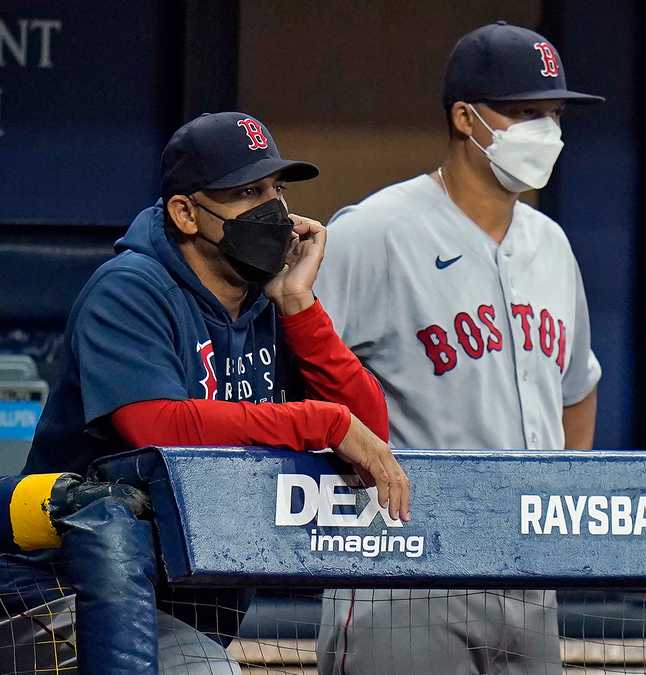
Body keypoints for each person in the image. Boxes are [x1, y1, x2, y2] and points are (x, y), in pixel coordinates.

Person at [21, 112, 412, 673]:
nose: (272, 211)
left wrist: (299, 306)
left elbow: (366, 426)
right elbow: (156, 427)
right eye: (247, 193)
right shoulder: (131, 290)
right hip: (68, 599)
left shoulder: (264, 301)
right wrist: (318, 422)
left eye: (277, 190)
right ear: (185, 212)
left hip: (185, 600)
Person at [314, 21, 603, 675]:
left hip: (528, 578)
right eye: (527, 112)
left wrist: (557, 507)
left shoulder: (552, 244)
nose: (547, 130)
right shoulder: (376, 231)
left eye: (554, 113)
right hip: (407, 569)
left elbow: (578, 389)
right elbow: (297, 377)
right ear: (466, 117)